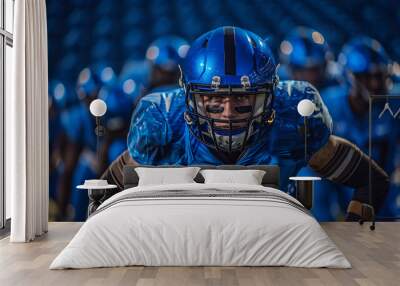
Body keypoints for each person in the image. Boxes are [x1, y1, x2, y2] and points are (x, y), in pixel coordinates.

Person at [102, 26, 389, 222]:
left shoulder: (291, 120)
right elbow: (104, 190)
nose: (227, 112)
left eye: (242, 100)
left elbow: (371, 180)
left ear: (270, 96)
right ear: (188, 98)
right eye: (213, 102)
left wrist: (354, 232)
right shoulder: (164, 120)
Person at [56, 64, 117, 220]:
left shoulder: (114, 109)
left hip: (109, 161)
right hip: (89, 165)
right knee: (83, 167)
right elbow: (68, 167)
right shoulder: (77, 118)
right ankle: (74, 216)